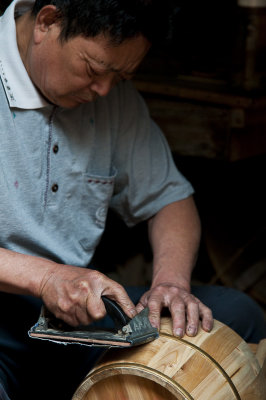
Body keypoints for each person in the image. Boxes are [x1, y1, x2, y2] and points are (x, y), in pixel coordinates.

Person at [0, 1, 265, 399]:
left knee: (238, 317)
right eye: (94, 69)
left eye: (120, 77)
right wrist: (46, 277)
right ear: (48, 21)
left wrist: (171, 283)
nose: (104, 90)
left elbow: (169, 198)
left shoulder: (109, 97)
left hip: (72, 315)